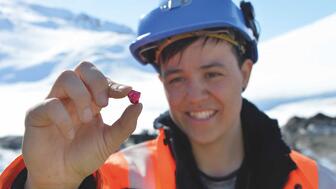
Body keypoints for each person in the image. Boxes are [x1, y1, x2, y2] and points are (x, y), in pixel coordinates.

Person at [0, 0, 335, 188]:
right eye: (176, 78)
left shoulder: (318, 182)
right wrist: (49, 183)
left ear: (244, 73)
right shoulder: (117, 179)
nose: (194, 94)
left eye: (212, 74)